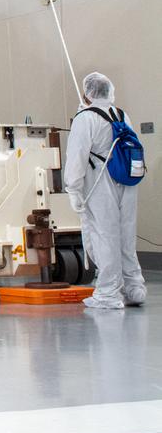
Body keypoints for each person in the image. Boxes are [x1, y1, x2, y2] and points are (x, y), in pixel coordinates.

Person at [64, 72, 146, 311]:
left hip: (100, 181)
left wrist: (73, 188)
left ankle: (108, 294)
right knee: (125, 235)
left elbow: (77, 155)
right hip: (126, 180)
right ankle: (134, 288)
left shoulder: (85, 118)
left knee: (104, 235)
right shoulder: (121, 114)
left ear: (86, 94)